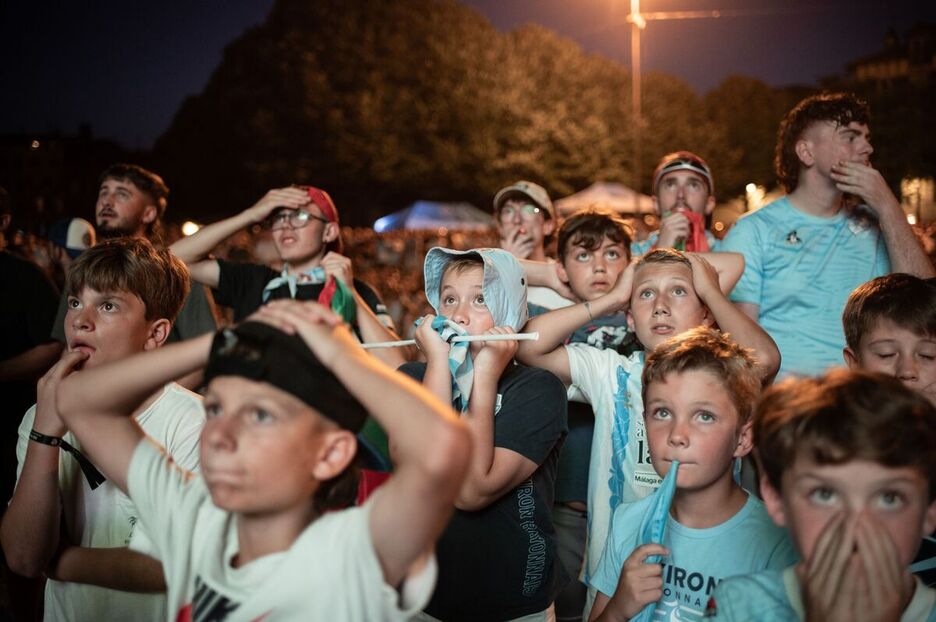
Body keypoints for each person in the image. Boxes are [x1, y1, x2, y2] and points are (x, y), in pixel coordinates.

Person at [52, 298, 470, 620]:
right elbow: (78, 400)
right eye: (215, 409)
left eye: (260, 415)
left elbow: (440, 451)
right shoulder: (197, 518)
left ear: (330, 454)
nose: (219, 435)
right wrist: (223, 341)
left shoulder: (353, 551)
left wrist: (338, 350)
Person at [517, 248, 779, 615]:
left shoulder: (724, 376)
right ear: (629, 317)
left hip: (710, 573)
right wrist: (609, 298)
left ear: (707, 314)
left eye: (678, 291)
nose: (659, 305)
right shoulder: (611, 371)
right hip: (616, 576)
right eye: (645, 294)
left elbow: (765, 360)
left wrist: (711, 290)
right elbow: (530, 347)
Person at [1, 237, 205, 621]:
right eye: (76, 301)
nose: (79, 319)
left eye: (107, 305)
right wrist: (45, 432)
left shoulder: (194, 422)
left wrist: (57, 561)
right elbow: (24, 558)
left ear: (155, 334)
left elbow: (173, 564)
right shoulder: (40, 415)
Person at [400, 247, 568, 621]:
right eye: (449, 299)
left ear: (508, 309)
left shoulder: (538, 389)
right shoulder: (412, 379)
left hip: (513, 601)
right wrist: (438, 365)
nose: (459, 315)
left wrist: (487, 375)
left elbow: (471, 491)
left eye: (480, 298)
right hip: (423, 598)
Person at [589, 328, 797, 621]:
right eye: (662, 412)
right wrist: (618, 610)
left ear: (742, 439)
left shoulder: (777, 543)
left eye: (704, 416)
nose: (677, 435)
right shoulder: (627, 522)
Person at [721, 92, 935, 377]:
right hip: (788, 410)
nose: (867, 147)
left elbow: (924, 305)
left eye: (867, 137)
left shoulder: (878, 223)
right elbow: (742, 350)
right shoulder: (754, 231)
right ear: (806, 152)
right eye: (850, 137)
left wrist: (887, 206)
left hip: (863, 405)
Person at [705, 370, 936, 621]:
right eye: (825, 494)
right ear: (777, 499)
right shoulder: (738, 604)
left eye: (889, 498)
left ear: (929, 509)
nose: (854, 527)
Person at [169, 185, 408, 367]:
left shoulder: (357, 290)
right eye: (279, 217)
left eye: (301, 216)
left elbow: (397, 367)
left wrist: (351, 295)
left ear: (329, 231)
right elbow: (172, 258)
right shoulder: (255, 280)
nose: (286, 225)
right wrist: (250, 215)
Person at [550, 208, 640, 621]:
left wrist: (634, 284)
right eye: (583, 256)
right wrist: (604, 300)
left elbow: (729, 270)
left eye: (612, 254)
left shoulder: (647, 314)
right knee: (568, 603)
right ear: (562, 268)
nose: (600, 266)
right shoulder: (556, 318)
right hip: (568, 501)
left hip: (634, 502)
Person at [49, 163, 217, 346]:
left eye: (122, 194)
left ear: (148, 213)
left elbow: (205, 352)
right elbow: (66, 347)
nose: (107, 201)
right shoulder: (86, 265)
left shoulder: (177, 270)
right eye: (104, 192)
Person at [494, 180, 574, 313]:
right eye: (508, 211)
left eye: (529, 209)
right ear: (500, 227)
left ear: (548, 225)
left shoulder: (565, 277)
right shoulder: (485, 279)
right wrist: (507, 267)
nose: (517, 220)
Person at [632, 151, 721, 255]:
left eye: (693, 185)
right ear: (655, 203)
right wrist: (661, 250)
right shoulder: (629, 255)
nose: (681, 195)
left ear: (709, 204)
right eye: (670, 185)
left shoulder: (730, 251)